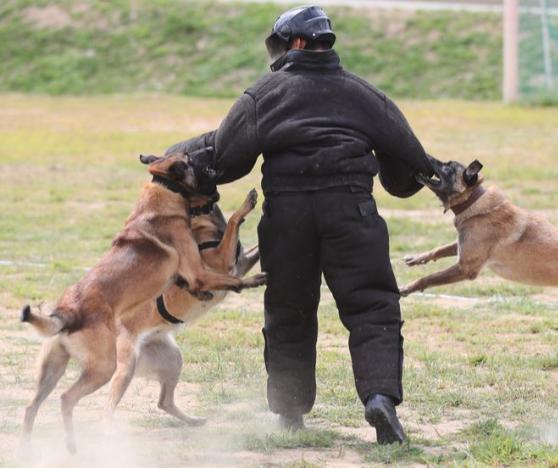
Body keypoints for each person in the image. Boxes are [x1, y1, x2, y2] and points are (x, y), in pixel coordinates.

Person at [166, 5, 435, 445]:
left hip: (287, 216)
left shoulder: (264, 95)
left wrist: (174, 153)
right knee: (372, 307)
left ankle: (290, 411)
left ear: (293, 44)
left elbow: (225, 160)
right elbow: (409, 168)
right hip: (352, 214)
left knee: (288, 310)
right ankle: (379, 399)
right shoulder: (365, 95)